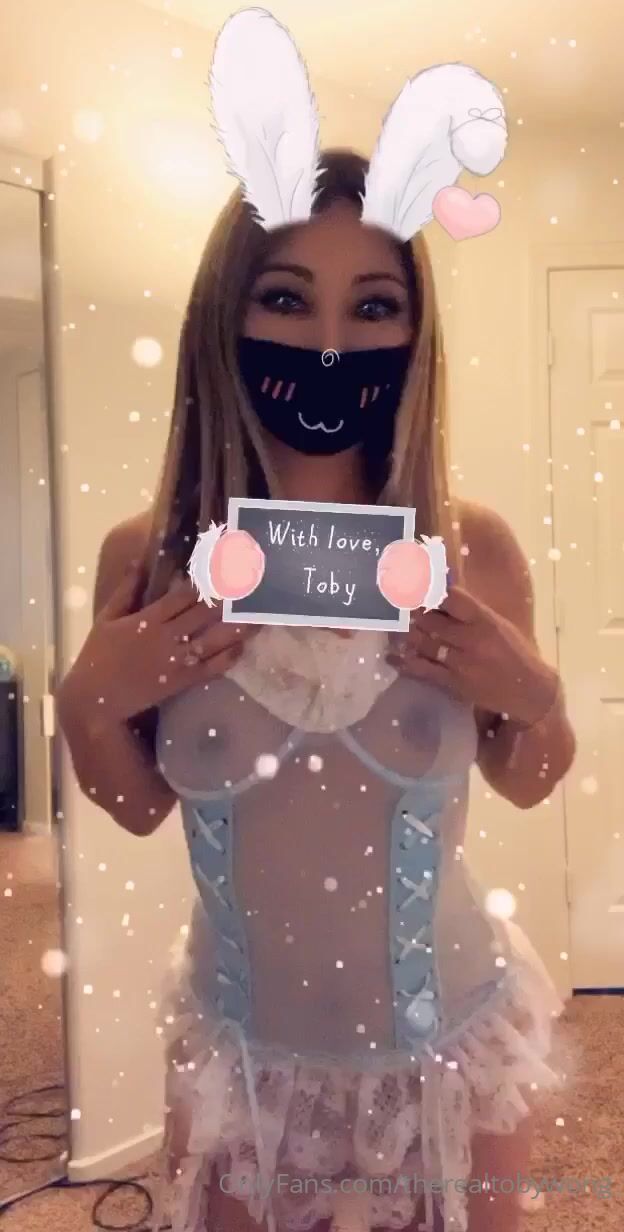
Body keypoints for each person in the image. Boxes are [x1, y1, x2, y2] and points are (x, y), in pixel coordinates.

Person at [57, 15, 576, 1232]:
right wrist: (88, 699)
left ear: (414, 332)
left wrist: (535, 693)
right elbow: (136, 804)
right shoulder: (150, 558)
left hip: (449, 1046)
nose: (330, 342)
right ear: (226, 314)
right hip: (246, 1064)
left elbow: (531, 778)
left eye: (373, 304)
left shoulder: (472, 548)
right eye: (287, 296)